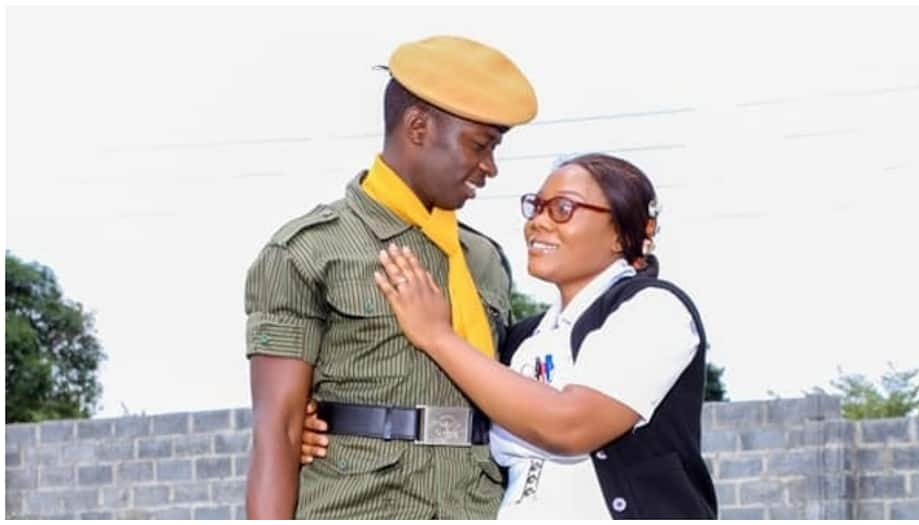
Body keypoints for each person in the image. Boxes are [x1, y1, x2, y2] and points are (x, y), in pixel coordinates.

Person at [300, 153, 719, 519]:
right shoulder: (523, 341)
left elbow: (569, 425)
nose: (537, 223)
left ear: (622, 233)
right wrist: (328, 428)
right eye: (536, 207)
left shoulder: (655, 311)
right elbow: (460, 421)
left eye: (563, 209)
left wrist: (437, 336)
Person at [243, 35, 537, 519]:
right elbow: (279, 429)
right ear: (418, 127)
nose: (490, 167)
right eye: (480, 145)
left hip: (475, 507)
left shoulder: (484, 260)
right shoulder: (308, 250)